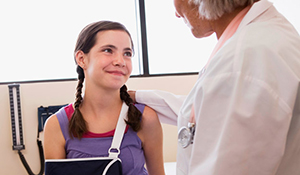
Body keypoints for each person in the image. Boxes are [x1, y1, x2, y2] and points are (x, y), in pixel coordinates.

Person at [129, 0, 300, 174]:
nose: (176, 13)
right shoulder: (265, 36)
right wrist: (140, 96)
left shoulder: (242, 61)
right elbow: (207, 112)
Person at [43, 21, 165, 175]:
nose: (120, 61)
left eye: (127, 53)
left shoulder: (145, 118)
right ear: (81, 59)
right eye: (108, 50)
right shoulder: (57, 125)